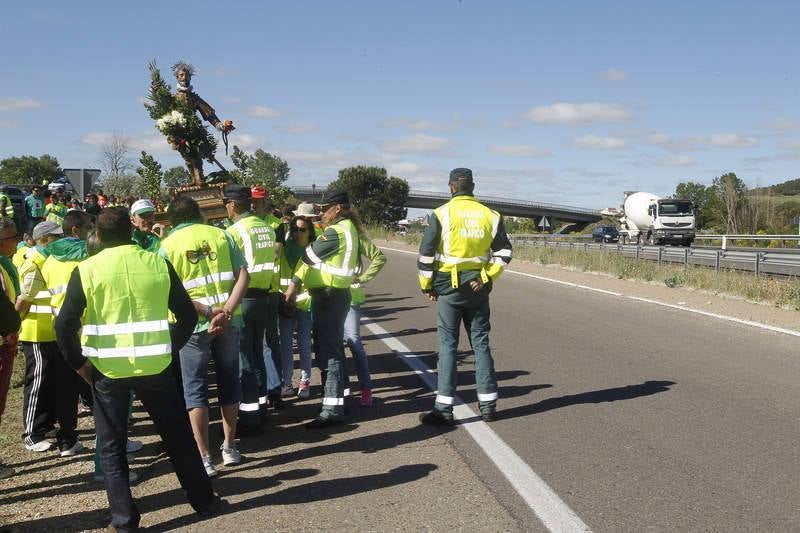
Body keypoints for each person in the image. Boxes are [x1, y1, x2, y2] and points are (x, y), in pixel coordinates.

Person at [55, 207, 220, 531]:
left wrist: (80, 364)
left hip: (107, 371)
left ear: (98, 236)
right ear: (131, 233)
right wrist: (168, 348)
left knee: (112, 447)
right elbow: (187, 315)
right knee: (178, 437)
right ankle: (203, 501)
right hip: (156, 366)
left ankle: (124, 520)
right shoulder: (157, 263)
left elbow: (64, 326)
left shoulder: (87, 269)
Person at [159, 196, 249, 476]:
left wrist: (208, 312)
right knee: (229, 381)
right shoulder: (222, 235)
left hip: (192, 325)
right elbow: (243, 276)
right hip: (229, 321)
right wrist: (226, 311)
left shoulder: (167, 246)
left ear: (172, 219)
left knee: (195, 389)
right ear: (198, 213)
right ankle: (230, 447)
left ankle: (205, 458)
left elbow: (169, 291)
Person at [417, 168, 513, 425]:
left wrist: (427, 285)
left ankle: (444, 409)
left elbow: (426, 255)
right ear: (472, 186)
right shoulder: (491, 215)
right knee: (480, 343)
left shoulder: (442, 214)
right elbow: (504, 252)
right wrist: (487, 276)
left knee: (448, 345)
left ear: (451, 187)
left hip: (449, 287)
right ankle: (488, 406)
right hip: (478, 287)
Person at [284, 190, 359, 428]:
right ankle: (339, 402)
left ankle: (332, 410)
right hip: (333, 295)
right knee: (332, 350)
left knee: (329, 354)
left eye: (325, 209)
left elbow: (308, 255)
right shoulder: (347, 228)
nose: (322, 213)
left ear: (337, 208)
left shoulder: (336, 231)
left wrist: (295, 281)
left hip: (329, 296)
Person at [40, 211, 94, 455]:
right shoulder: (87, 257)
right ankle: (113, 441)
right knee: (98, 386)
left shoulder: (49, 260)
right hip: (87, 330)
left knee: (66, 389)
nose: (91, 231)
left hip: (61, 333)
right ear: (75, 230)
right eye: (88, 227)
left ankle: (67, 440)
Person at [223, 184, 275, 431]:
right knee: (257, 354)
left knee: (244, 359)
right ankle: (262, 408)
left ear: (233, 205)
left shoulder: (234, 231)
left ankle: (250, 417)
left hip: (243, 300)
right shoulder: (266, 227)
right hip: (263, 298)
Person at [15, 221, 70, 453]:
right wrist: (14, 328)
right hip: (36, 332)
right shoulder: (35, 262)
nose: (62, 241)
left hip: (52, 331)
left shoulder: (52, 259)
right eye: (57, 237)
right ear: (44, 241)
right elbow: (24, 300)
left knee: (52, 382)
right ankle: (32, 433)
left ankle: (46, 424)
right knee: (38, 382)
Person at [344, 211, 386, 407]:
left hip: (351, 297)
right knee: (334, 346)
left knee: (353, 340)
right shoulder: (327, 234)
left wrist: (362, 278)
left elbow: (379, 257)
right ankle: (342, 388)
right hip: (328, 297)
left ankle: (366, 388)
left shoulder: (357, 237)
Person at [278, 215, 314, 399]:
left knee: (304, 345)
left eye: (302, 229)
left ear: (309, 232)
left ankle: (305, 382)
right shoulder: (284, 249)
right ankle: (287, 382)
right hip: (286, 303)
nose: (298, 233)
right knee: (285, 345)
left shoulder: (314, 250)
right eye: (295, 229)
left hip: (305, 303)